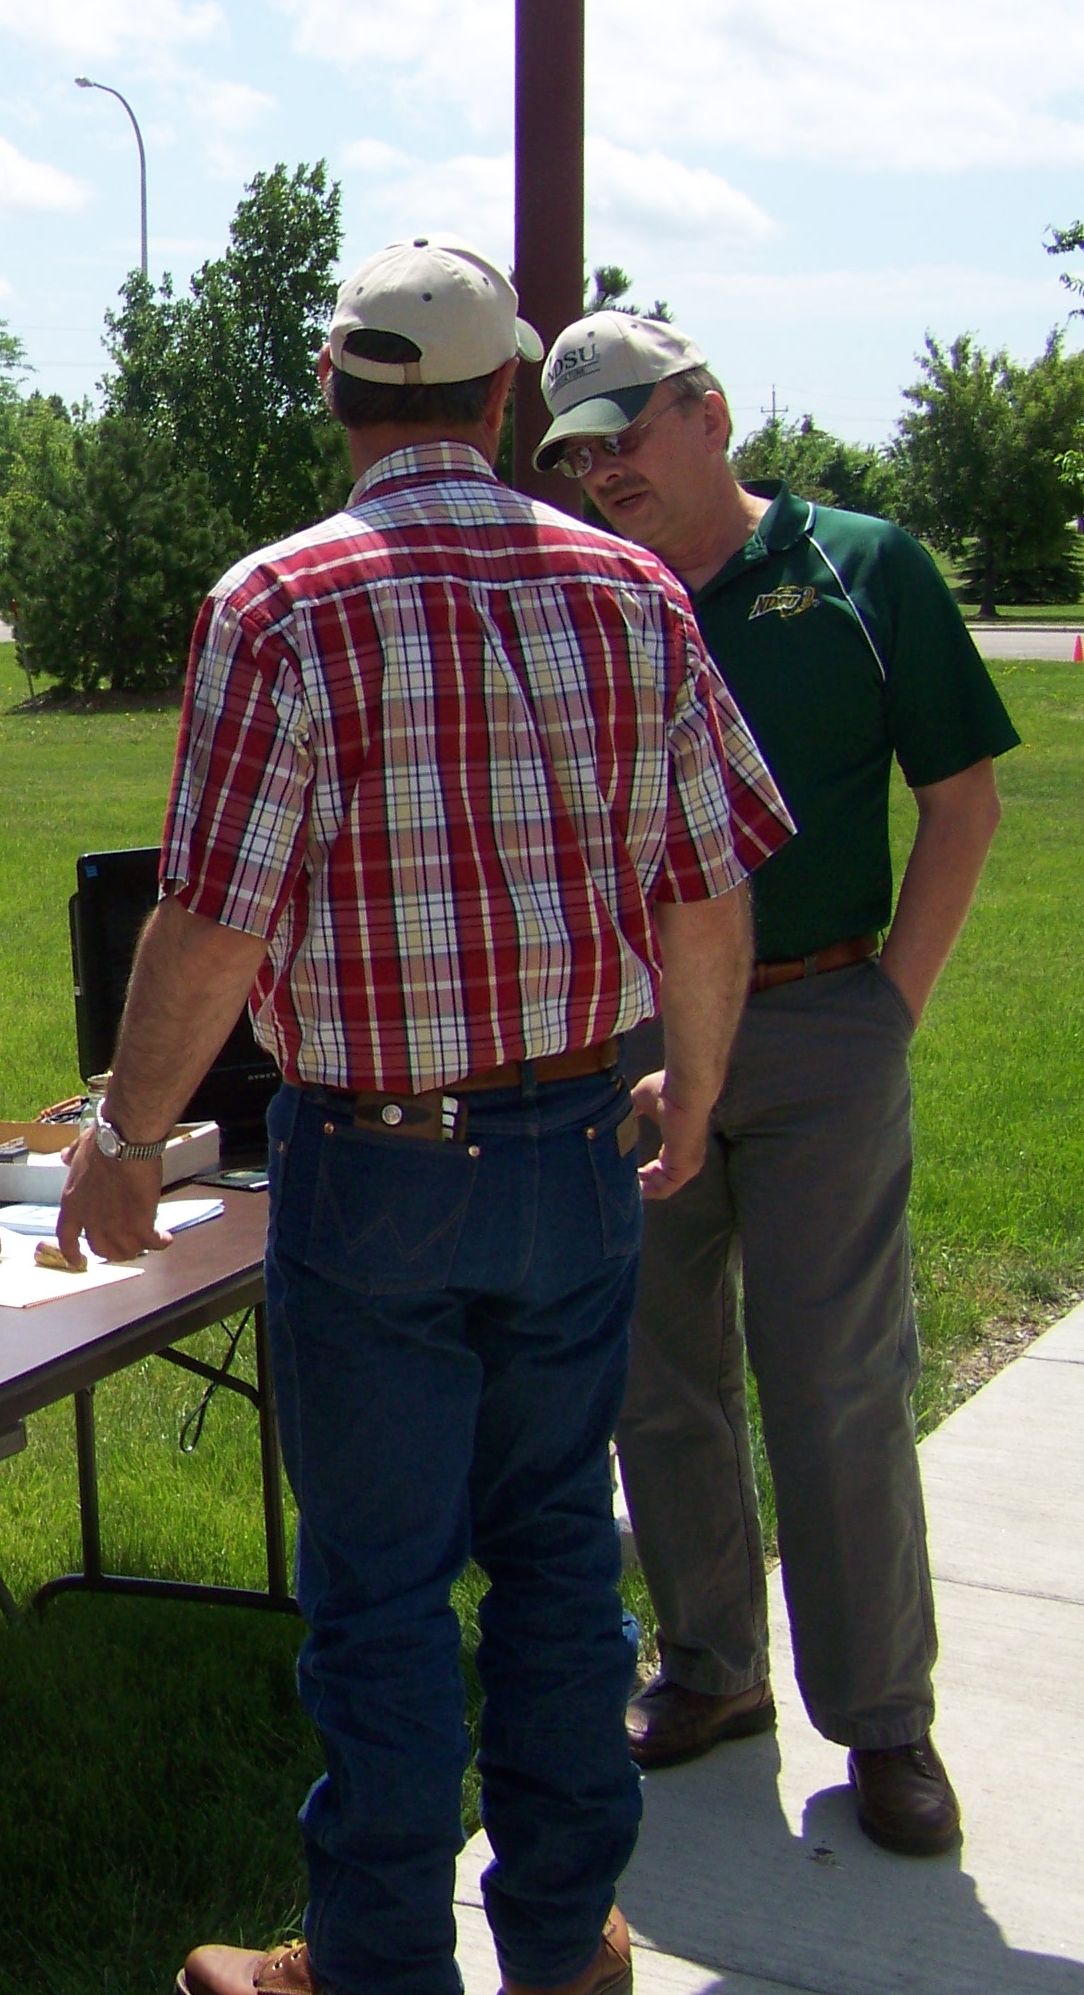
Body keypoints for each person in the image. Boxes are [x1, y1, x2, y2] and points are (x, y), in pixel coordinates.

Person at [58, 237, 794, 1995]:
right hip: (570, 1153)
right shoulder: (628, 588)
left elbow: (212, 917)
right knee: (552, 1559)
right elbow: (705, 892)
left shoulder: (281, 601)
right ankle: (559, 1939)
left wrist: (125, 1131)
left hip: (376, 1162)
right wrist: (690, 1088)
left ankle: (376, 1956)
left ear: (334, 392)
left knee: (380, 1591)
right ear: (500, 399)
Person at [534, 312, 1015, 1857]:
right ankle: (711, 1669)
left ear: (708, 413)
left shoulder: (864, 571)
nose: (603, 474)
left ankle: (884, 1724)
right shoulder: (587, 601)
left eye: (623, 436)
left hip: (820, 1030)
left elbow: (961, 800)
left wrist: (890, 1008)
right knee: (657, 1378)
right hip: (631, 1042)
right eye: (574, 455)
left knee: (836, 1384)